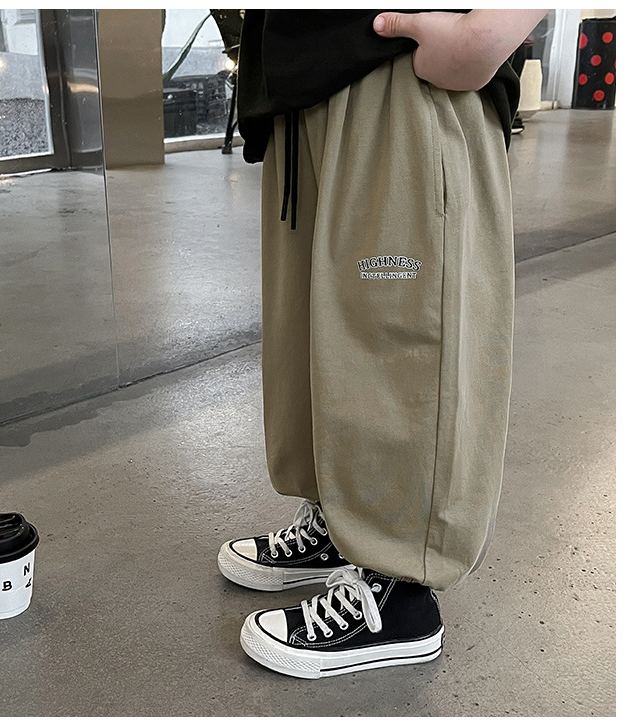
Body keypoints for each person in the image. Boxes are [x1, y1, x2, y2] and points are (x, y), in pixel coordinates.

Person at [216, 9, 549, 680]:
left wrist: (492, 28)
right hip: (301, 81)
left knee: (398, 342)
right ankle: (342, 526)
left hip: (403, 67)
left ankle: (400, 590)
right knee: (317, 337)